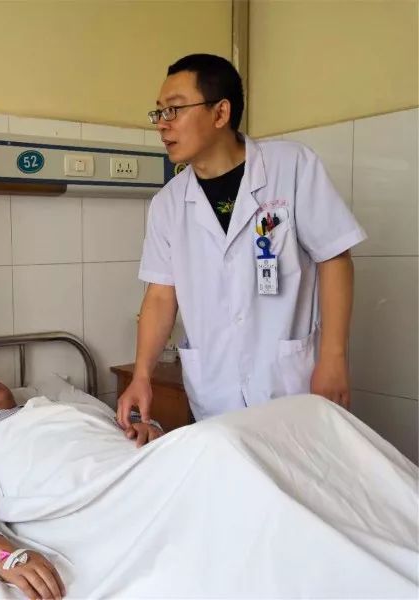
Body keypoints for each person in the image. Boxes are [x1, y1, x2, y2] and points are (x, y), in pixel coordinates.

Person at [118, 54, 366, 429]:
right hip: (215, 394)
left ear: (220, 113)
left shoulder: (291, 166)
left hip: (290, 386)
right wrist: (141, 375)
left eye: (174, 110)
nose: (162, 124)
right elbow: (160, 295)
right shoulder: (168, 203)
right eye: (159, 113)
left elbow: (335, 258)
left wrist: (333, 358)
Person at [0, 374, 163, 600]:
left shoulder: (62, 406)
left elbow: (126, 420)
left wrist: (147, 427)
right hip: (88, 500)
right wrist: (2, 555)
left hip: (145, 469)